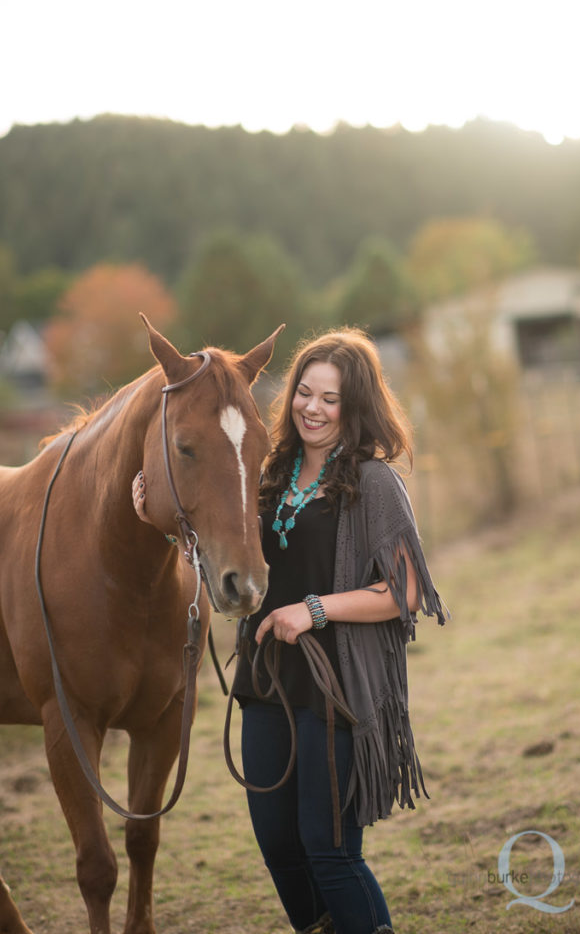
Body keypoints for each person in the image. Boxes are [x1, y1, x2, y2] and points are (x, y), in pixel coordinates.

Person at [133, 327, 447, 934]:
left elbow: (404, 591)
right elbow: (228, 556)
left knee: (330, 854)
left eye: (330, 399)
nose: (312, 408)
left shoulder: (373, 483)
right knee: (280, 848)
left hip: (335, 691)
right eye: (305, 392)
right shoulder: (269, 472)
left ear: (354, 407)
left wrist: (313, 609)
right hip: (266, 687)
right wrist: (161, 525)